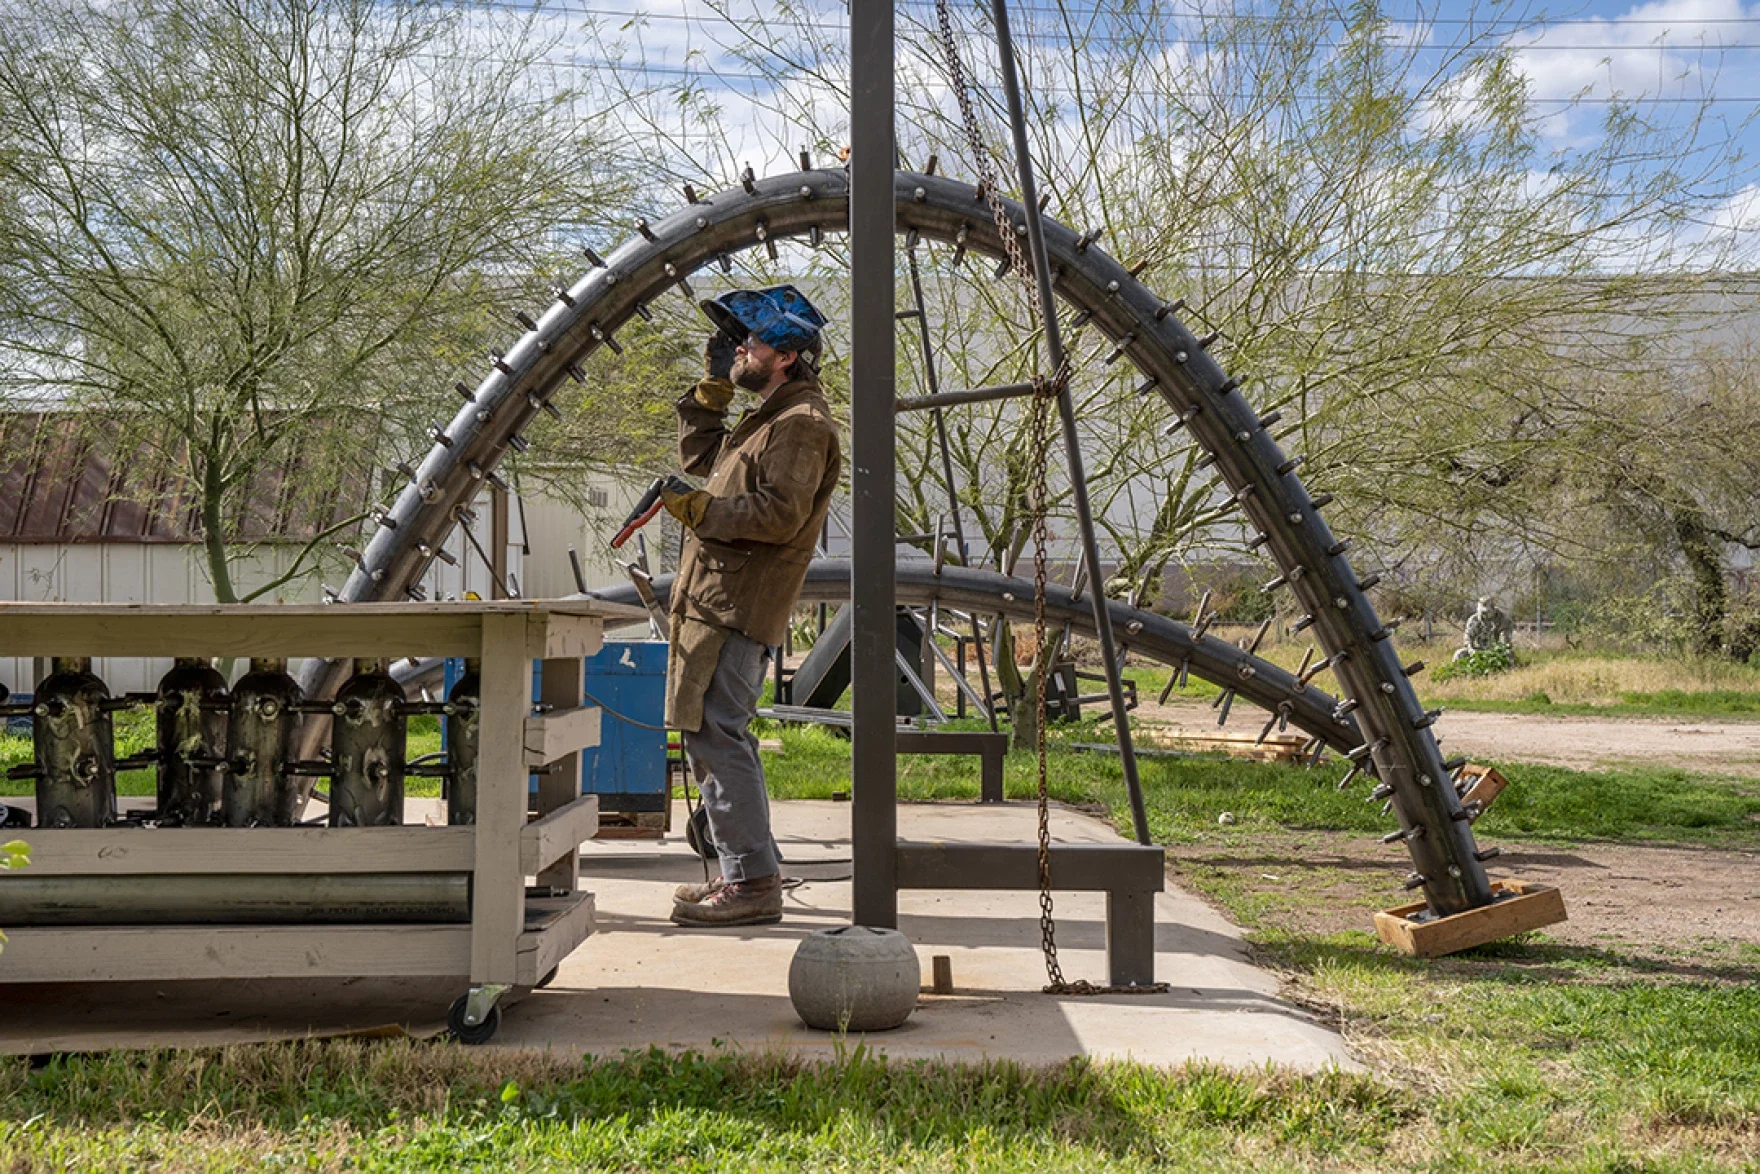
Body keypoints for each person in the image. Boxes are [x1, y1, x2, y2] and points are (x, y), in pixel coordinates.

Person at [659, 285, 841, 927]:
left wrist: (702, 511)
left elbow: (779, 515)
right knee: (712, 735)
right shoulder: (767, 418)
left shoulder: (800, 425)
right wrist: (709, 395)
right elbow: (706, 464)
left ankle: (753, 884)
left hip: (737, 607)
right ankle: (742, 872)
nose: (741, 348)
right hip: (718, 601)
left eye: (753, 341)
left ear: (787, 355)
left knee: (718, 733)